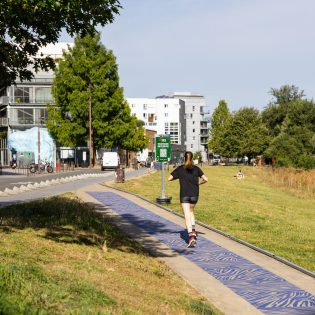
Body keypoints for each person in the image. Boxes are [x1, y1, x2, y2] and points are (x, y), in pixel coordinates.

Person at [168, 151, 208, 248]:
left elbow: (169, 178)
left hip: (184, 194)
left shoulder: (180, 169)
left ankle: (191, 237)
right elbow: (206, 179)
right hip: (195, 194)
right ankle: (194, 231)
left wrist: (177, 177)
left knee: (186, 215)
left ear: (184, 158)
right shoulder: (197, 169)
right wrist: (199, 184)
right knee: (191, 211)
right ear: (192, 158)